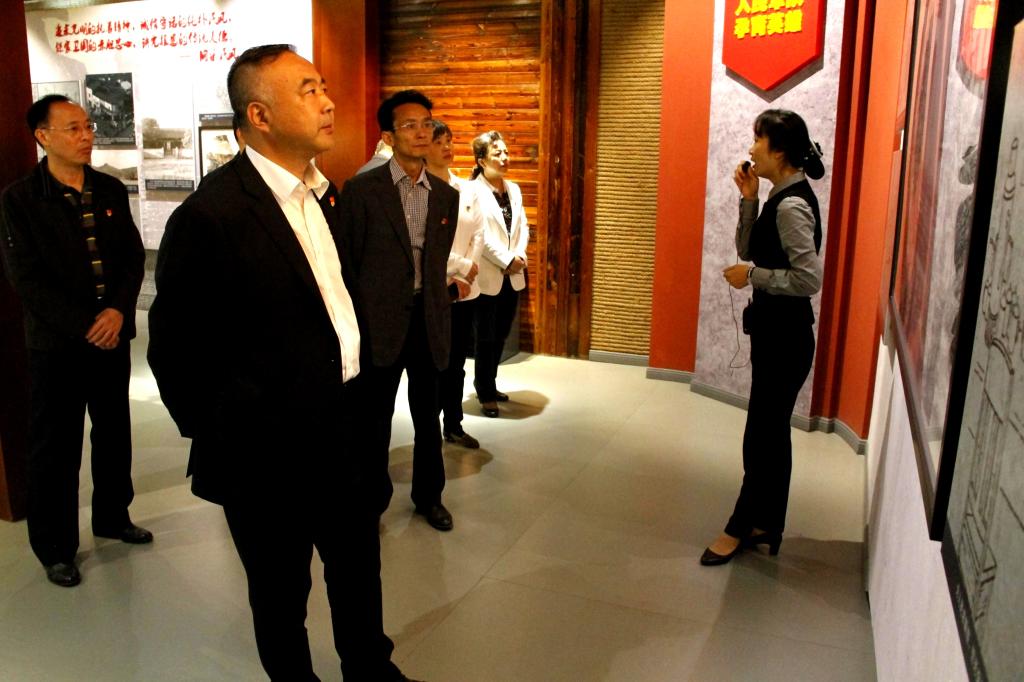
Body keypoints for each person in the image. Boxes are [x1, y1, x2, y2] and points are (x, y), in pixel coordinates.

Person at [147, 45, 415, 681]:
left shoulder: (324, 195)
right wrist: (235, 437)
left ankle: (370, 672)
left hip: (346, 433)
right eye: (308, 90)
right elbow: (174, 353)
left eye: (323, 85)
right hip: (265, 455)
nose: (328, 102)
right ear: (260, 116)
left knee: (359, 570)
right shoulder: (211, 216)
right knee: (280, 593)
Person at [0, 95, 150, 589]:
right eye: (73, 129)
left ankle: (113, 515)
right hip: (57, 346)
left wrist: (118, 310)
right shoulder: (20, 199)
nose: (86, 136)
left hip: (111, 336)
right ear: (42, 136)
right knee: (55, 447)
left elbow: (131, 257)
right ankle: (55, 547)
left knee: (114, 432)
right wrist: (87, 324)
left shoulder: (108, 189)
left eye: (88, 127)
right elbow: (27, 279)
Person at [701, 109, 825, 566]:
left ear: (780, 151)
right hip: (778, 335)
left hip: (786, 339)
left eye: (758, 139)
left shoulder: (791, 206)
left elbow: (808, 279)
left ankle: (740, 526)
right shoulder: (778, 197)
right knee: (771, 435)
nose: (751, 147)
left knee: (761, 437)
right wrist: (749, 199)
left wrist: (753, 276)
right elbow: (748, 247)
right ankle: (767, 523)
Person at [338, 90, 459, 532]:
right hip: (379, 323)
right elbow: (347, 262)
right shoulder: (362, 190)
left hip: (428, 320)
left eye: (427, 123)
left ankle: (430, 497)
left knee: (429, 416)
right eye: (410, 125)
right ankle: (370, 501)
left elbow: (436, 262)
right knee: (374, 420)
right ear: (388, 136)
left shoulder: (444, 195)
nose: (422, 132)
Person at [425, 119, 483, 449]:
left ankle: (454, 424)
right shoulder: (420, 189)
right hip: (434, 290)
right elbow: (426, 243)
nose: (447, 147)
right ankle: (429, 427)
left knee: (457, 363)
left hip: (465, 287)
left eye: (449, 140)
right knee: (433, 363)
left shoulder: (466, 189)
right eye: (438, 142)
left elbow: (478, 233)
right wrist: (459, 267)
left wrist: (466, 273)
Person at [463, 130, 528, 418]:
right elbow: (479, 235)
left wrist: (520, 256)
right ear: (481, 161)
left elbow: (523, 227)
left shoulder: (513, 188)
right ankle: (484, 391)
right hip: (488, 274)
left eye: (506, 152)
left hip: (513, 274)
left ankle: (491, 382)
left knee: (501, 334)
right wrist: (506, 260)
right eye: (497, 153)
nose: (505, 158)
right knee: (485, 337)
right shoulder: (472, 191)